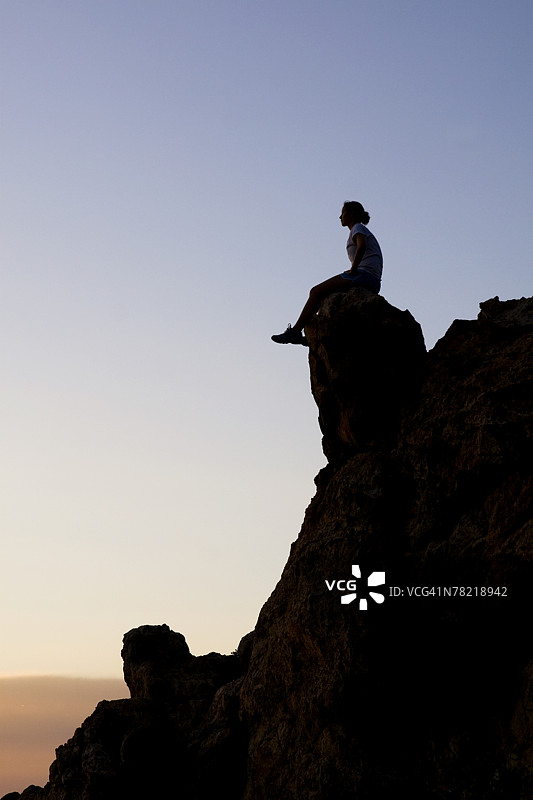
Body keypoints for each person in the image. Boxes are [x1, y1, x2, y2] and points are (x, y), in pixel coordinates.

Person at [271, 201, 383, 345]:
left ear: (351, 214)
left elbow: (362, 246)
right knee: (325, 295)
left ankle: (294, 332)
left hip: (364, 275)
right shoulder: (357, 229)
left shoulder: (357, 227)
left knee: (316, 291)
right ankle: (315, 334)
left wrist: (353, 270)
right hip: (371, 279)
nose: (340, 216)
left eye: (342, 213)